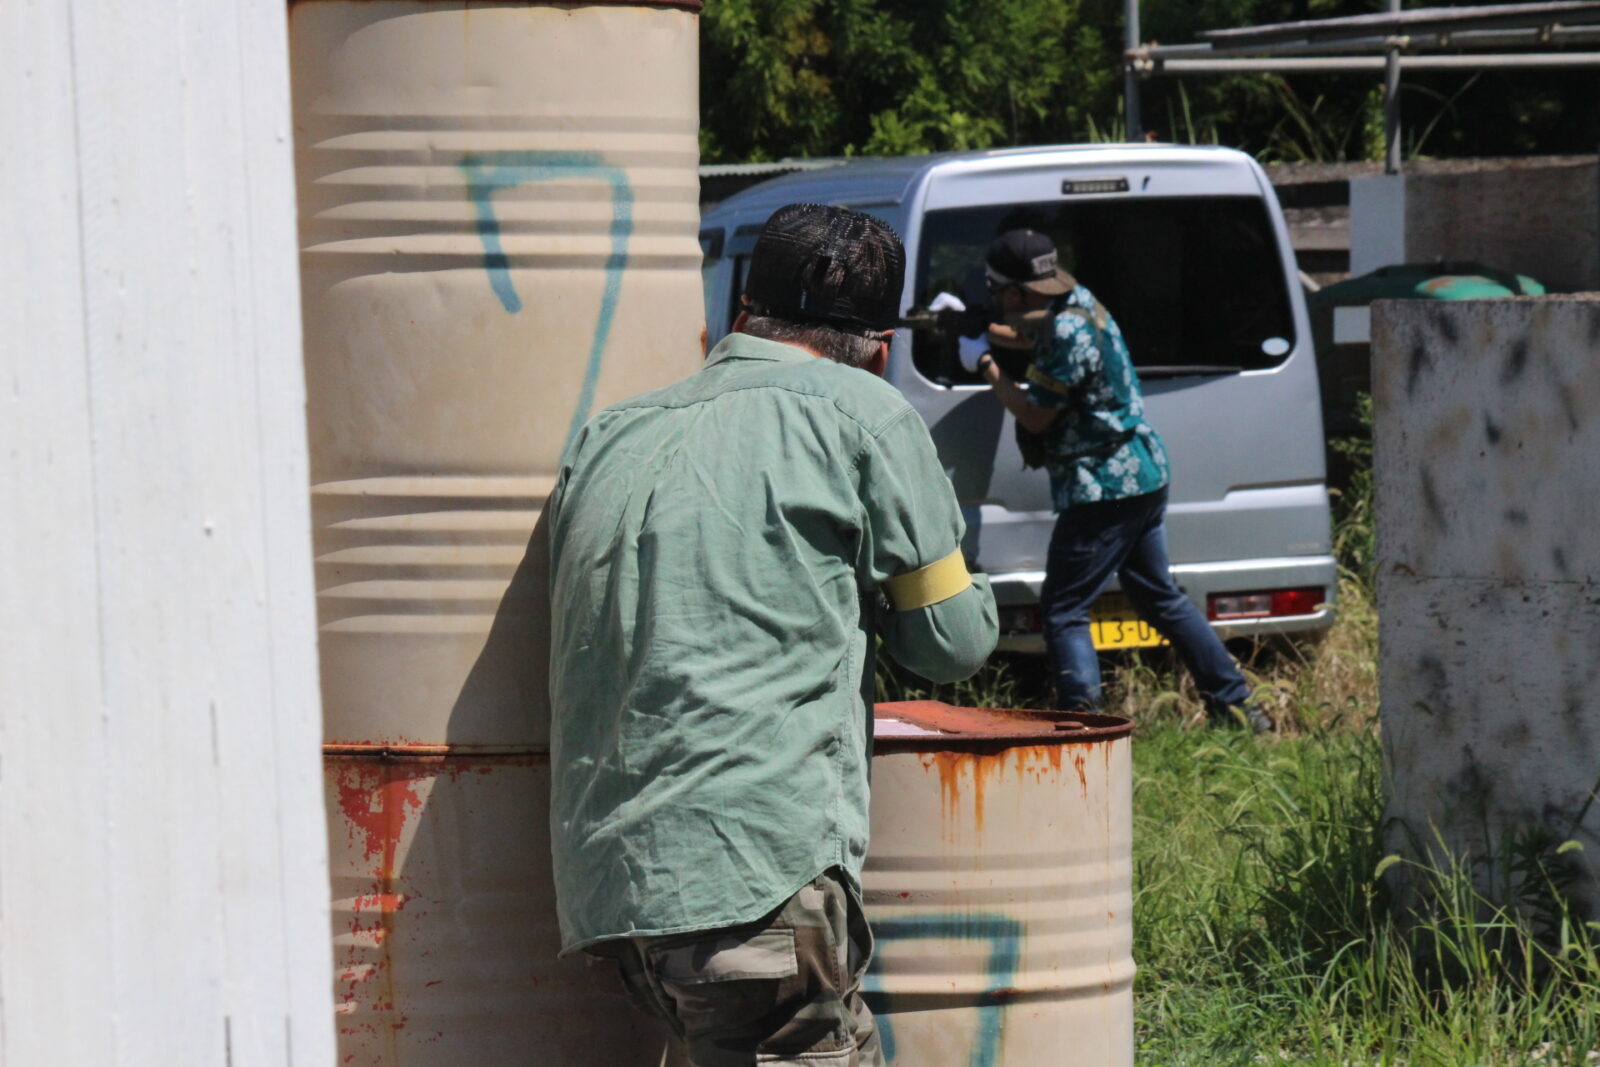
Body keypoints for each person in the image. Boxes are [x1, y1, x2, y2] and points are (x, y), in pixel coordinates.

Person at [544, 203, 999, 1066]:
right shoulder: (864, 414)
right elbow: (952, 643)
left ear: (740, 315)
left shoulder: (610, 432)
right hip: (757, 884)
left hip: (617, 899)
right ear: (881, 350)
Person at [966, 228, 1272, 734]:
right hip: (1140, 475)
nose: (997, 300)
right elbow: (1035, 337)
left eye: (997, 292)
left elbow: (1036, 417)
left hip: (1104, 488)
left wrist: (985, 365)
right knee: (1160, 599)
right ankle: (1240, 709)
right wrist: (982, 328)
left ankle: (1083, 728)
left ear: (1017, 293)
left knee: (1064, 608)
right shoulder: (1079, 303)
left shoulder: (1067, 331)